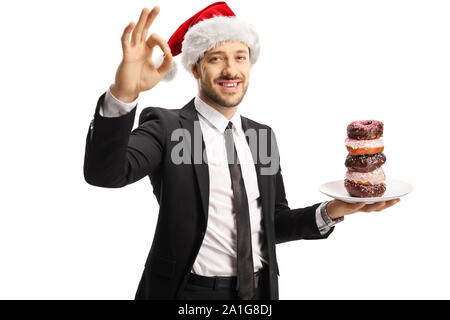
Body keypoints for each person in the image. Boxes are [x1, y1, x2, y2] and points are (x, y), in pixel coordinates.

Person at [83, 2, 400, 300]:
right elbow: (105, 173)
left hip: (258, 293)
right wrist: (124, 93)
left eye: (240, 56)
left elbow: (272, 223)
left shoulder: (262, 136)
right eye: (216, 58)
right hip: (187, 292)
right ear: (195, 68)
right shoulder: (167, 127)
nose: (231, 70)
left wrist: (332, 210)